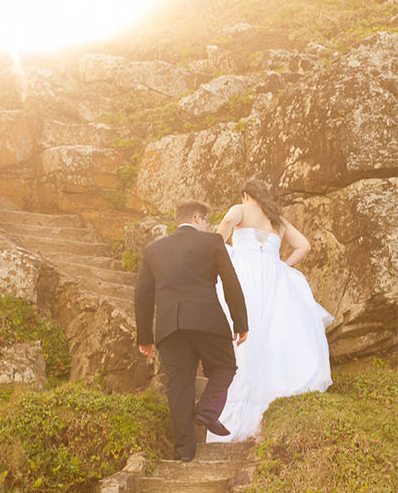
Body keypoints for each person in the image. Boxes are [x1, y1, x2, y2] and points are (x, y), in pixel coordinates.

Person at [207, 180, 333, 443]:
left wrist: (218, 251)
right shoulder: (278, 221)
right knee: (277, 337)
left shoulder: (240, 209)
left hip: (246, 276)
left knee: (246, 341)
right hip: (275, 279)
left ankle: (239, 416)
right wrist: (283, 265)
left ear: (245, 195)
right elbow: (304, 246)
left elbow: (225, 226)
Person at [135, 200, 249, 462]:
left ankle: (184, 452)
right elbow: (231, 283)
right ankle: (208, 409)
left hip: (170, 327)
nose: (207, 225)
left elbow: (142, 294)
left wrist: (145, 337)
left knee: (178, 387)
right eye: (206, 220)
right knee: (225, 367)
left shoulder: (154, 249)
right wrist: (240, 323)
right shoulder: (211, 243)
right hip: (207, 322)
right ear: (198, 218)